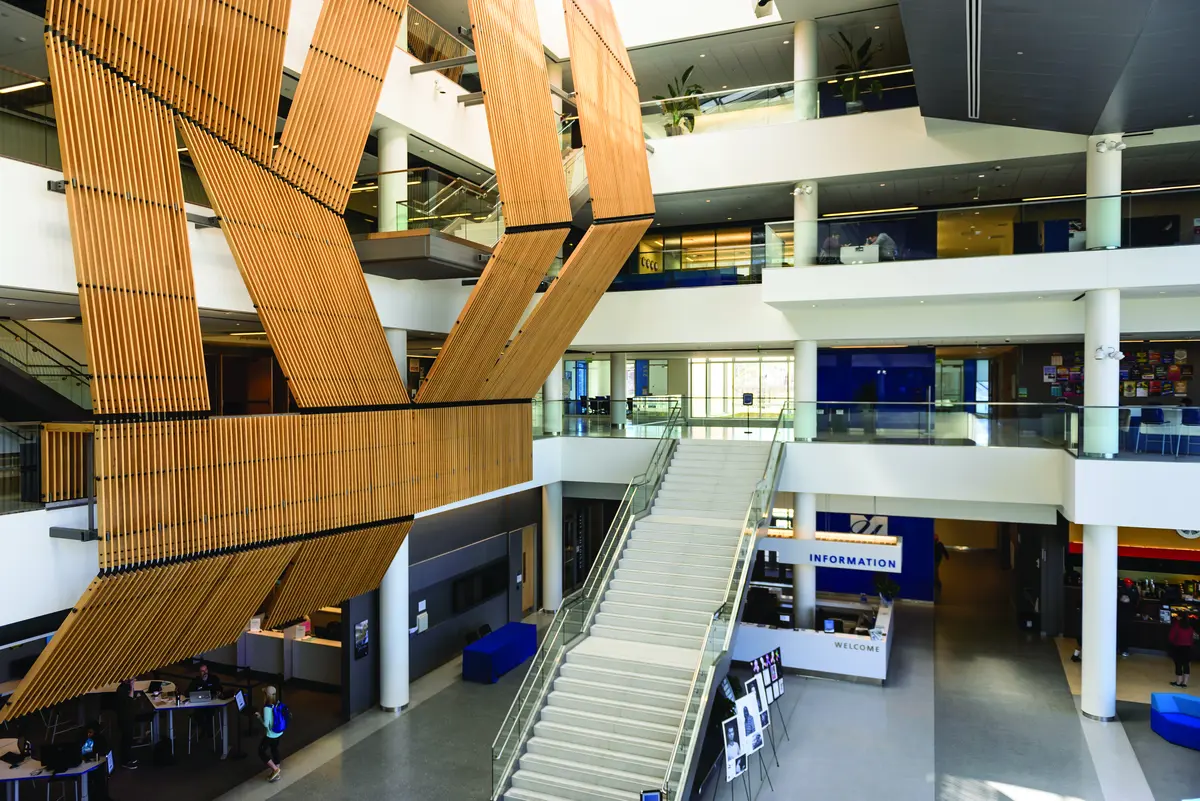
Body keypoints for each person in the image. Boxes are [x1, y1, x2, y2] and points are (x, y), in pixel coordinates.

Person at [255, 686, 284, 782]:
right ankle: (277, 773)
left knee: (261, 751)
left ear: (266, 695)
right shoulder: (277, 703)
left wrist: (259, 717)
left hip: (270, 734)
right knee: (274, 749)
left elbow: (266, 724)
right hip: (278, 732)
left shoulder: (267, 708)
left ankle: (275, 769)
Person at [80, 720, 112, 800]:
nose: (89, 734)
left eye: (91, 732)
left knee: (100, 779)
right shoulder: (85, 740)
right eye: (88, 732)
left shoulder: (100, 740)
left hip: (98, 766)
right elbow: (83, 752)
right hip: (86, 766)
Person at [114, 680, 140, 770]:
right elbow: (129, 700)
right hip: (124, 718)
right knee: (126, 740)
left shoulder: (124, 687)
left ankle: (128, 757)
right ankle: (125, 761)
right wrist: (132, 687)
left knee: (128, 739)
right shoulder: (121, 689)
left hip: (127, 717)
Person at [1169, 613, 1194, 687]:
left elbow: (1171, 637)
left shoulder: (1177, 625)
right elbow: (1192, 637)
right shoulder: (1190, 627)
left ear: (1180, 618)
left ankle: (1178, 681)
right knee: (1186, 665)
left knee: (1178, 664)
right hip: (1188, 648)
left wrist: (1173, 643)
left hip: (1178, 647)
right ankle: (1185, 683)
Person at [1117, 578, 1140, 657]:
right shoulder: (1121, 589)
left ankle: (1123, 649)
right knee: (1120, 632)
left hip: (1127, 615)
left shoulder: (1134, 590)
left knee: (1125, 633)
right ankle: (1120, 649)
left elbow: (1135, 600)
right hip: (1121, 614)